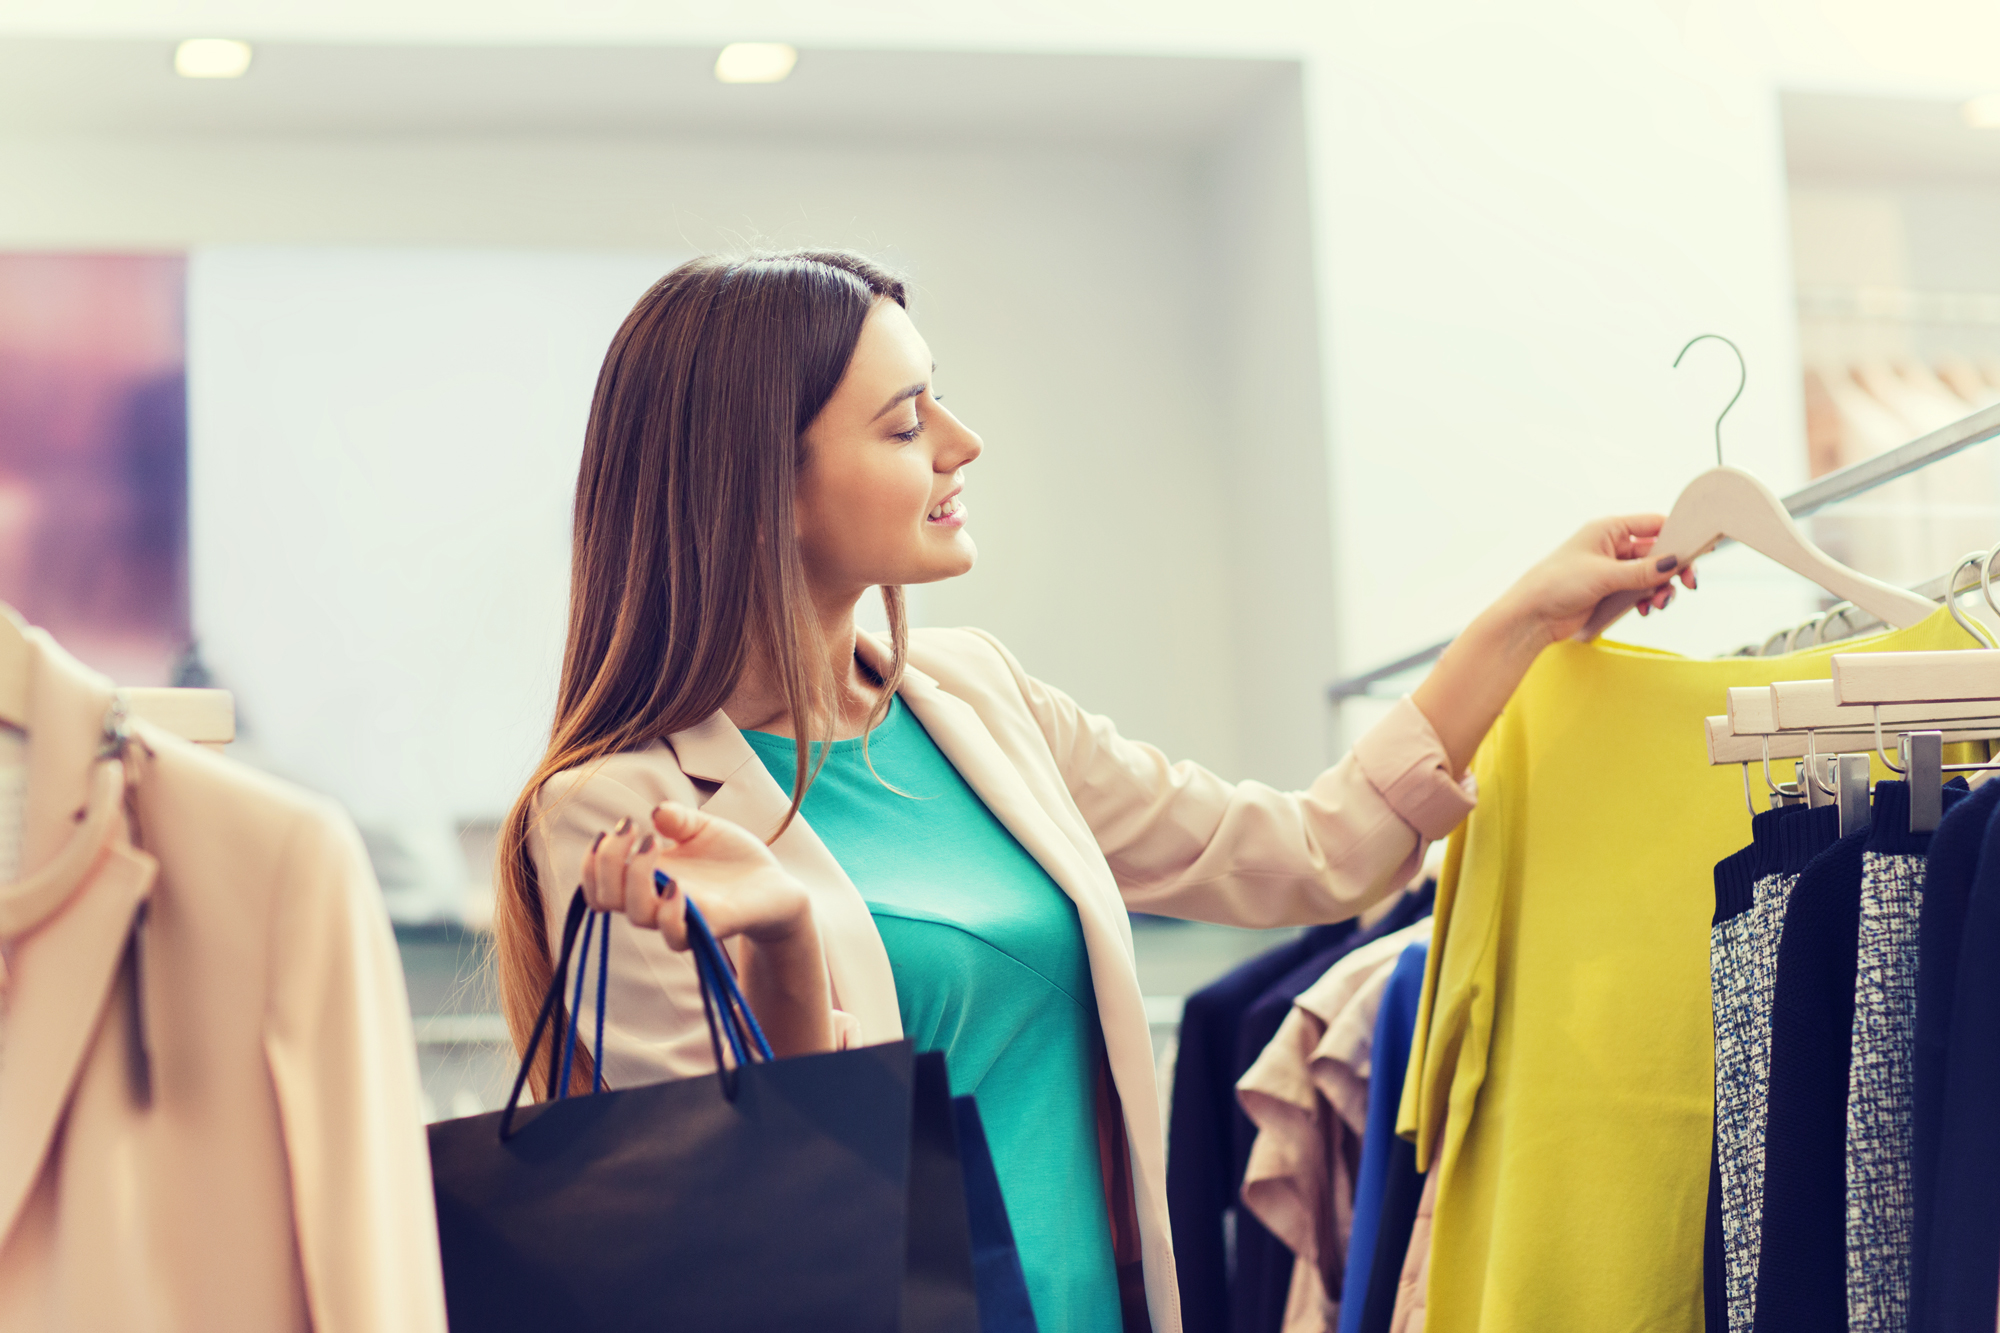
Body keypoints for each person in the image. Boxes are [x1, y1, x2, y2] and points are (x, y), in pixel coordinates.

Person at [495, 250, 1695, 1333]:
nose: (962, 443)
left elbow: (1304, 853)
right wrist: (786, 940)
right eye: (907, 423)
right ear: (767, 482)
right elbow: (743, 1233)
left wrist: (1525, 617)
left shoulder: (974, 700)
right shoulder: (616, 807)